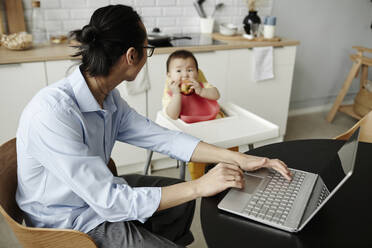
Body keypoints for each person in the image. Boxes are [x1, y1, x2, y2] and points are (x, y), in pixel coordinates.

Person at [15, 5, 291, 248]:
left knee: (181, 199)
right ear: (132, 55)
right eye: (148, 48)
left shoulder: (108, 97)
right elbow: (112, 202)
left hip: (93, 194)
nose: (148, 55)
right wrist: (200, 185)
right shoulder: (53, 114)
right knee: (189, 192)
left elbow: (164, 139)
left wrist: (240, 158)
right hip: (69, 220)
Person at [162, 50, 238, 180]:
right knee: (197, 156)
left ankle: (233, 170)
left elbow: (216, 95)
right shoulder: (171, 94)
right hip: (195, 134)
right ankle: (201, 180)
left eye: (190, 70)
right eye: (179, 71)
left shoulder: (203, 86)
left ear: (197, 73)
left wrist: (201, 90)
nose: (185, 74)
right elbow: (172, 115)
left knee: (231, 147)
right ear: (169, 75)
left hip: (216, 126)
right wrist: (176, 94)